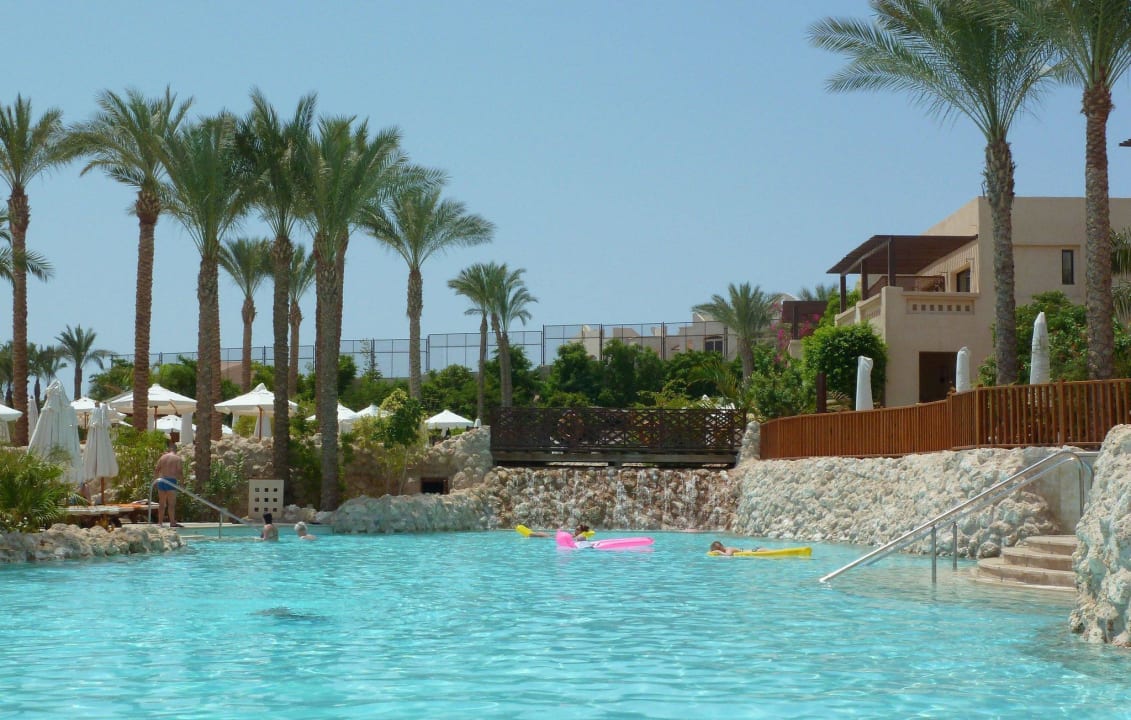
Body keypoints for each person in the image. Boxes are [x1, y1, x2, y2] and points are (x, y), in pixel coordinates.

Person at [154, 441, 184, 528]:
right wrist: (182, 484)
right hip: (171, 481)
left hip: (161, 480)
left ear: (169, 449)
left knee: (162, 503)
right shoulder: (177, 459)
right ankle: (172, 522)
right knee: (171, 504)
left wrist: (155, 481)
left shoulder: (162, 457)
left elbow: (156, 469)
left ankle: (160, 523)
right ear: (176, 450)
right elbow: (180, 472)